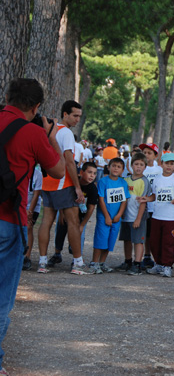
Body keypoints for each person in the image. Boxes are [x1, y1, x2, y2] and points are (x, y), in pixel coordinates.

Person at [0, 78, 65, 376]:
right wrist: (49, 134)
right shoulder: (33, 133)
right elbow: (58, 170)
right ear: (36, 107)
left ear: (8, 96)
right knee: (1, 300)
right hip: (9, 221)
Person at [38, 100, 90, 275]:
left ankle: (42, 262)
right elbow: (69, 161)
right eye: (74, 115)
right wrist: (77, 187)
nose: (77, 119)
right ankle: (77, 263)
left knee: (46, 222)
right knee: (73, 222)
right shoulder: (66, 133)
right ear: (65, 114)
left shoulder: (50, 131)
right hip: (63, 183)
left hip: (47, 182)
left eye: (79, 116)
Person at [138, 152, 174, 278]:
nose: (169, 166)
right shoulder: (157, 179)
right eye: (167, 163)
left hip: (171, 217)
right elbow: (154, 195)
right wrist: (146, 199)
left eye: (172, 164)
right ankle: (158, 263)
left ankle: (167, 265)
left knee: (168, 242)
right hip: (157, 216)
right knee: (154, 241)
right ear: (161, 164)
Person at [50, 162, 98, 268]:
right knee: (60, 231)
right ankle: (57, 253)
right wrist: (61, 214)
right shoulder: (72, 184)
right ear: (81, 172)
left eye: (94, 173)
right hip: (66, 212)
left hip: (81, 216)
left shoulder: (93, 189)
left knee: (80, 234)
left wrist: (82, 225)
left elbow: (91, 209)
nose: (92, 176)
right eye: (89, 172)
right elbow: (64, 198)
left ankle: (76, 258)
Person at [90, 158, 129, 273]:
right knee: (100, 239)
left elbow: (124, 200)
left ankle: (102, 262)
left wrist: (119, 215)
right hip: (104, 216)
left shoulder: (123, 183)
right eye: (114, 166)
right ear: (109, 167)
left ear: (122, 170)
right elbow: (101, 200)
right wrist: (106, 216)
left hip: (116, 217)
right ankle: (94, 262)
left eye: (119, 167)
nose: (116, 168)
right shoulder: (103, 181)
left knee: (110, 240)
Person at [118, 153, 150, 275]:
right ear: (131, 166)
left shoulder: (144, 181)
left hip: (138, 217)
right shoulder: (126, 180)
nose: (138, 167)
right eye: (136, 164)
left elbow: (143, 202)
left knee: (138, 240)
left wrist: (138, 218)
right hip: (126, 216)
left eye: (141, 164)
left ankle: (137, 264)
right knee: (127, 239)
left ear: (145, 167)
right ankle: (128, 261)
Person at [140, 143, 163, 269]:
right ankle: (147, 255)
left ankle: (158, 258)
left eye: (149, 153)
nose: (146, 155)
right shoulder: (139, 169)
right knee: (146, 233)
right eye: (144, 153)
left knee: (156, 233)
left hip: (157, 206)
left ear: (155, 155)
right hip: (144, 205)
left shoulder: (159, 170)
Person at [23, 167, 43, 271]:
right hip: (19, 205)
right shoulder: (18, 170)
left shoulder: (37, 174)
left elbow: (36, 194)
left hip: (32, 206)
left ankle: (27, 257)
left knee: (28, 227)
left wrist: (30, 212)